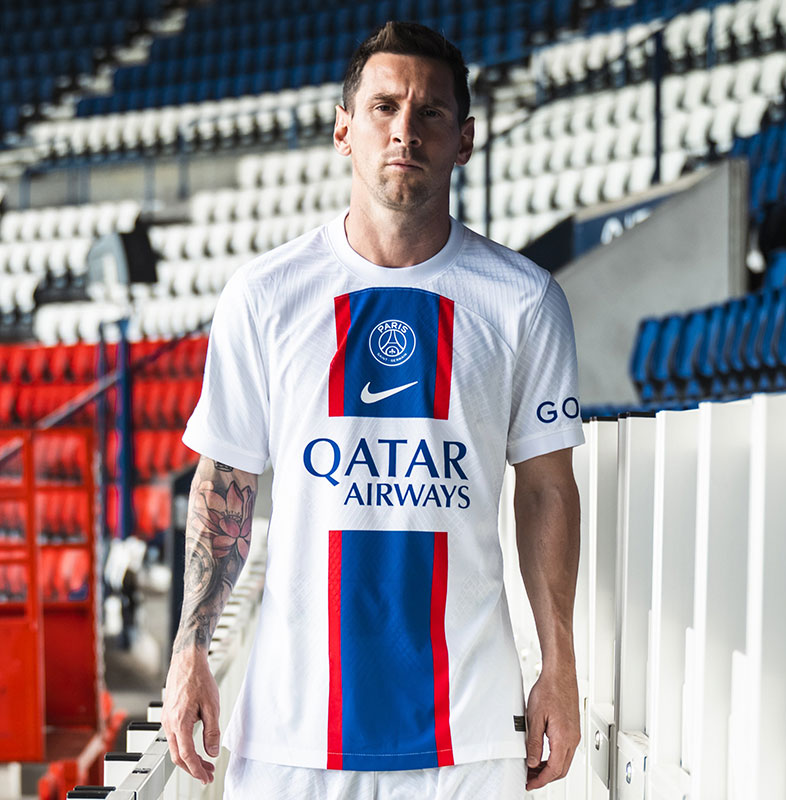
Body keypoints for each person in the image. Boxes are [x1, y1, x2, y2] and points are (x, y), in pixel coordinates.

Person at [163, 20, 584, 799]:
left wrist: (560, 663)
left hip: (466, 734)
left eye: (430, 112)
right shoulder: (265, 296)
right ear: (343, 129)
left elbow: (547, 490)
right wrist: (190, 649)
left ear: (464, 139)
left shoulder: (524, 301)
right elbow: (226, 482)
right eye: (385, 107)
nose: (404, 131)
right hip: (293, 735)